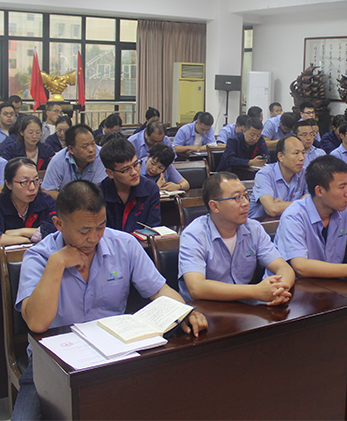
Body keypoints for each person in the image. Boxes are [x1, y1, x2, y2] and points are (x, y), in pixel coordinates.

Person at [12, 180, 207, 420]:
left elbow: (160, 291)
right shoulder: (39, 257)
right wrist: (57, 264)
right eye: (84, 230)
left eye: (101, 226)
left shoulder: (123, 244)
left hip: (116, 353)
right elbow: (37, 323)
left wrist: (184, 311)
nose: (94, 238)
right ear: (59, 224)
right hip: (53, 361)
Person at [178, 172, 295, 304]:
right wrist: (255, 291)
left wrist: (280, 288)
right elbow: (196, 288)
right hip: (205, 308)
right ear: (214, 206)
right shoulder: (194, 235)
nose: (245, 203)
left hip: (243, 307)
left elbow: (283, 268)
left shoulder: (253, 229)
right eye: (237, 198)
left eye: (246, 195)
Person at [274, 156, 347, 281]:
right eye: (342, 187)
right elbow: (301, 267)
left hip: (330, 284)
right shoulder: (294, 216)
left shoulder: (346, 211)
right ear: (320, 191)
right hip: (292, 287)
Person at [0, 157, 57, 248]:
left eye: (36, 180)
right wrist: (27, 240)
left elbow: (56, 231)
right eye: (25, 182)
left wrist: (21, 232)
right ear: (8, 184)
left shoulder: (45, 201)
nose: (32, 188)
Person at [98, 137, 161, 233]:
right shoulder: (98, 195)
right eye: (126, 169)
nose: (134, 172)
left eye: (136, 164)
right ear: (110, 173)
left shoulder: (151, 189)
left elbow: (152, 229)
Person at [41, 124, 107, 199]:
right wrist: (71, 201)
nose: (91, 150)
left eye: (93, 144)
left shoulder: (102, 155)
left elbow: (99, 189)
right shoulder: (58, 161)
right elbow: (47, 190)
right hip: (66, 204)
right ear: (71, 149)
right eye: (85, 146)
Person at [248, 136, 307, 219]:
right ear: (280, 157)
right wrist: (302, 202)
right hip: (262, 224)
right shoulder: (265, 174)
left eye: (303, 153)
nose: (301, 158)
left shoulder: (305, 174)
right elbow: (272, 209)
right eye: (296, 153)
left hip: (292, 222)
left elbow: (313, 204)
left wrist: (281, 205)